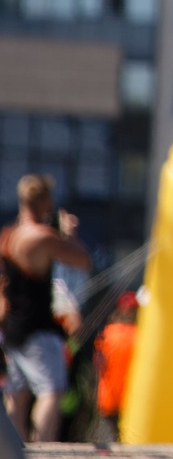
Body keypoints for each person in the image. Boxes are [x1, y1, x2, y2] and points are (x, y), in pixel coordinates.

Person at [3, 174, 91, 442]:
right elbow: (82, 260)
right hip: (36, 326)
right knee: (52, 391)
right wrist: (69, 234)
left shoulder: (8, 236)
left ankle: (15, 452)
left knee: (17, 394)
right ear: (43, 201)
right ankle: (42, 448)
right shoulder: (42, 237)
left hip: (11, 327)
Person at [92, 291, 141, 447]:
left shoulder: (106, 333)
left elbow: (98, 364)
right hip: (131, 401)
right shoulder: (141, 335)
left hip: (108, 399)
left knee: (109, 445)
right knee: (130, 444)